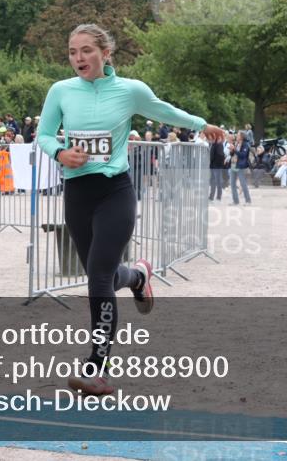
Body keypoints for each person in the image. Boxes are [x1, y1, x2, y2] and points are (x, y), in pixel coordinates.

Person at [36, 24, 224, 395]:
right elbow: (43, 134)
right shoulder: (60, 91)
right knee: (100, 276)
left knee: (98, 278)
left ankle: (97, 368)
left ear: (105, 54)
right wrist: (60, 152)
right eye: (72, 52)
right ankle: (138, 276)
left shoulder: (129, 90)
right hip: (77, 193)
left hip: (115, 192)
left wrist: (201, 125)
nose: (78, 58)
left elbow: (164, 111)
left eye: (86, 50)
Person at [227, 131, 252, 205]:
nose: (236, 136)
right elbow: (232, 154)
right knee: (232, 184)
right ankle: (236, 201)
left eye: (238, 135)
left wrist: (234, 150)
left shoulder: (246, 145)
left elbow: (243, 155)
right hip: (233, 165)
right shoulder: (236, 143)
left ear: (242, 137)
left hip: (241, 166)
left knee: (243, 184)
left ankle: (248, 201)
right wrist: (231, 150)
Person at [208, 134, 226, 201]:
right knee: (213, 181)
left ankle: (217, 196)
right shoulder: (213, 144)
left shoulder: (218, 144)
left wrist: (216, 163)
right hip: (213, 165)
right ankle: (212, 196)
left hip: (216, 166)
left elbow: (220, 155)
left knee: (217, 181)